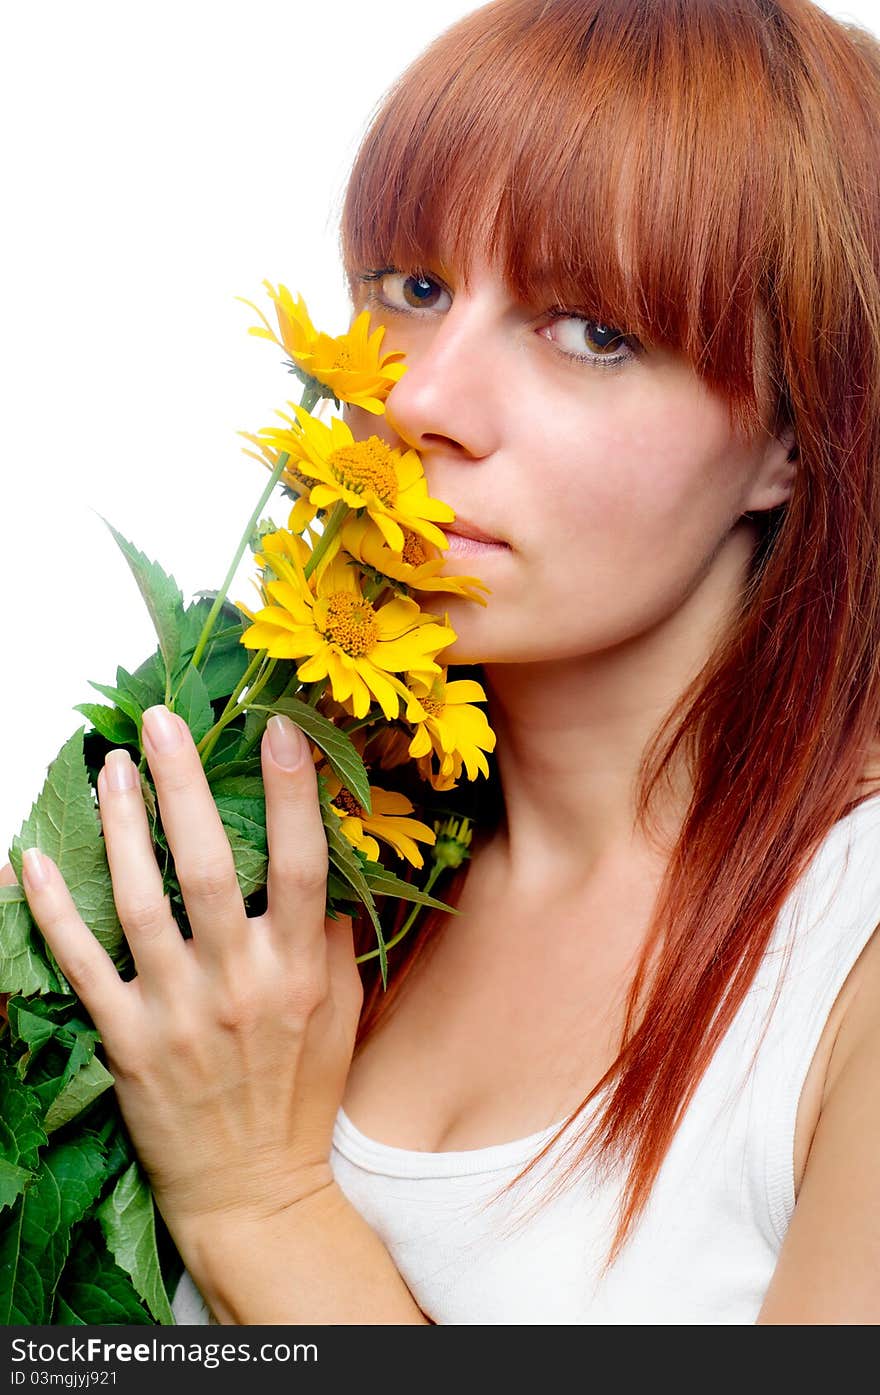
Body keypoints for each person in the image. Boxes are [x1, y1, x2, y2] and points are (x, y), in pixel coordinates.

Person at [5, 0, 880, 1324]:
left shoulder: (847, 956)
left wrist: (266, 1206)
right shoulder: (308, 846)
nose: (417, 402)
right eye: (414, 290)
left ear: (794, 435)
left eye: (592, 329)